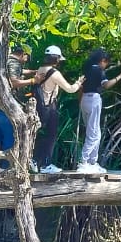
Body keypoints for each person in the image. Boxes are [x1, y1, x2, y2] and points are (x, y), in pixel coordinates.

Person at [77, 48, 121, 174]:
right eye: (106, 62)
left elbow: (81, 88)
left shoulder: (87, 69)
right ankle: (83, 162)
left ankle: (92, 162)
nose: (106, 65)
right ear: (102, 60)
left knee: (95, 132)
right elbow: (106, 85)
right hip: (93, 99)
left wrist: (80, 103)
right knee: (93, 133)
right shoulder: (98, 70)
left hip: (84, 99)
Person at [32, 46, 83, 174]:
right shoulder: (55, 73)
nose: (60, 61)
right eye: (59, 58)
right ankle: (45, 164)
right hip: (49, 107)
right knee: (51, 135)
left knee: (40, 135)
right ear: (56, 58)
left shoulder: (40, 69)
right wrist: (79, 83)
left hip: (38, 106)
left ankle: (35, 160)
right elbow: (70, 89)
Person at [0, 45, 35, 167]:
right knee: (10, 136)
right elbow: (14, 82)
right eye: (27, 58)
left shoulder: (5, 60)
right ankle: (7, 166)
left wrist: (32, 72)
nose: (26, 61)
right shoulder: (14, 63)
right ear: (23, 54)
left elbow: (17, 71)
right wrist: (33, 81)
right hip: (7, 106)